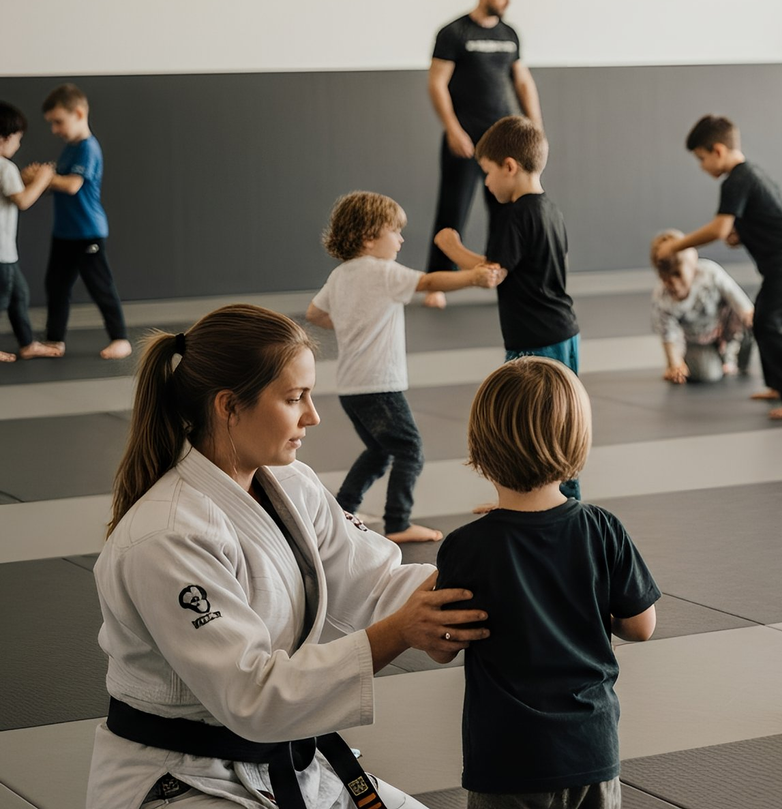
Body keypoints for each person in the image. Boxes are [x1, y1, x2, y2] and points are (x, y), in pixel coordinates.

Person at [87, 304, 489, 809]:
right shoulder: (168, 535)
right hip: (183, 778)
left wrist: (494, 576)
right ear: (229, 406)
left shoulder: (291, 483)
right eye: (295, 398)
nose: (313, 416)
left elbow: (378, 582)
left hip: (287, 762)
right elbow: (254, 696)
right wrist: (402, 631)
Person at [434, 357, 660, 807]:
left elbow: (442, 647)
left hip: (507, 756)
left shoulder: (467, 546)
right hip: (591, 748)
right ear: (577, 441)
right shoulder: (602, 529)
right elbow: (641, 626)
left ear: (481, 444)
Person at [306, 192, 502, 543]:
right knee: (410, 449)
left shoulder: (340, 275)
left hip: (351, 387)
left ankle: (342, 510)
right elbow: (428, 282)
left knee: (379, 451)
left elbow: (314, 313)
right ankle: (398, 522)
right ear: (369, 238)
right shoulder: (382, 272)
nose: (401, 239)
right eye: (394, 232)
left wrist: (350, 324)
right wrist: (472, 277)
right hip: (379, 386)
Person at [434, 117, 582, 500]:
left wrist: (452, 250)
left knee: (527, 422)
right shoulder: (551, 209)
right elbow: (510, 264)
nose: (485, 183)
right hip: (565, 332)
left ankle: (537, 503)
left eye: (487, 172)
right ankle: (566, 500)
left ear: (510, 166)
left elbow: (491, 274)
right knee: (562, 420)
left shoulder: (514, 215)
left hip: (534, 339)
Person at [653, 116, 782, 419]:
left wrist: (676, 246)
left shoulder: (736, 180)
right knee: (765, 321)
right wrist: (740, 234)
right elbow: (759, 217)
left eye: (701, 159)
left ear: (718, 151)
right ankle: (780, 384)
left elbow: (718, 229)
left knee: (771, 325)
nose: (702, 167)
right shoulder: (750, 174)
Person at [424, 0, 543, 309]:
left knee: (506, 211)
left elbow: (522, 81)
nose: (507, 0)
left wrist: (535, 126)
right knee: (452, 208)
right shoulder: (454, 32)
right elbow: (436, 83)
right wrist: (453, 129)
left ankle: (499, 274)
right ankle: (437, 283)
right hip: (465, 138)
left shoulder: (509, 34)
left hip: (503, 140)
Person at [38, 84, 132, 360]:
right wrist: (40, 179)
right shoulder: (70, 148)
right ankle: (55, 339)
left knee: (100, 286)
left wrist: (45, 177)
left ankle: (120, 338)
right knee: (56, 286)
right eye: (51, 123)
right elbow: (57, 182)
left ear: (78, 113)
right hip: (64, 233)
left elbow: (72, 185)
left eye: (58, 122)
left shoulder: (88, 148)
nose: (54, 129)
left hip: (87, 232)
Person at [651, 229, 754, 385]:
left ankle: (735, 360)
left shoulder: (709, 273)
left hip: (724, 328)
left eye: (677, 274)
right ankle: (706, 358)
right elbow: (668, 334)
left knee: (754, 319)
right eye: (664, 277)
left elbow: (733, 294)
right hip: (698, 340)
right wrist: (675, 364)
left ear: (692, 266)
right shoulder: (662, 298)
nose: (673, 283)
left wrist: (747, 313)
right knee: (708, 374)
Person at [0, 101, 55, 361]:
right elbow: (22, 200)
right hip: (2, 252)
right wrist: (43, 178)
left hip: (5, 252)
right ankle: (26, 343)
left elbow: (12, 192)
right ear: (4, 138)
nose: (18, 145)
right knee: (4, 298)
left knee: (18, 294)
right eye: (17, 139)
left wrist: (27, 179)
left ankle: (27, 343)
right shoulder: (5, 167)